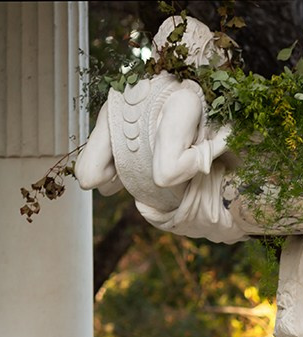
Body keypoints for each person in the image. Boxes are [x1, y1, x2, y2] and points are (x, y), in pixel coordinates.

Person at [74, 15, 247, 244]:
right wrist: (218, 143)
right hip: (191, 202)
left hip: (162, 205)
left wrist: (127, 168)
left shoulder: (119, 98)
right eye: (208, 53)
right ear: (198, 55)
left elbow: (88, 176)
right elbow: (166, 173)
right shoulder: (185, 97)